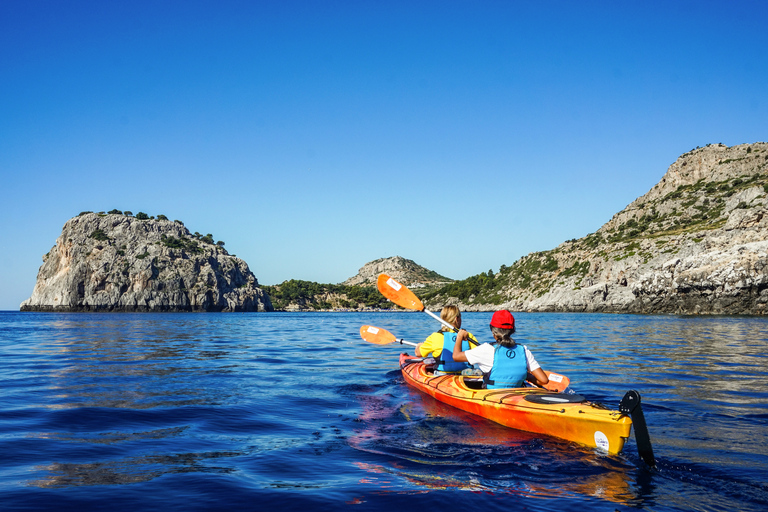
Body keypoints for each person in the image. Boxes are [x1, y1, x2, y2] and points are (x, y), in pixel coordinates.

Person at [452, 310, 549, 389]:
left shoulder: (485, 349)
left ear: (492, 331)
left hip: (492, 397)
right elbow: (544, 380)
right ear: (513, 330)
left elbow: (456, 356)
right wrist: (525, 375)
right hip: (516, 396)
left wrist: (459, 336)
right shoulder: (523, 350)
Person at [414, 305, 479, 374]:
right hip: (466, 375)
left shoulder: (435, 337)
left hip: (443, 375)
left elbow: (418, 353)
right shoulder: (469, 336)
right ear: (457, 319)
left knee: (430, 372)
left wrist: (419, 345)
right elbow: (479, 355)